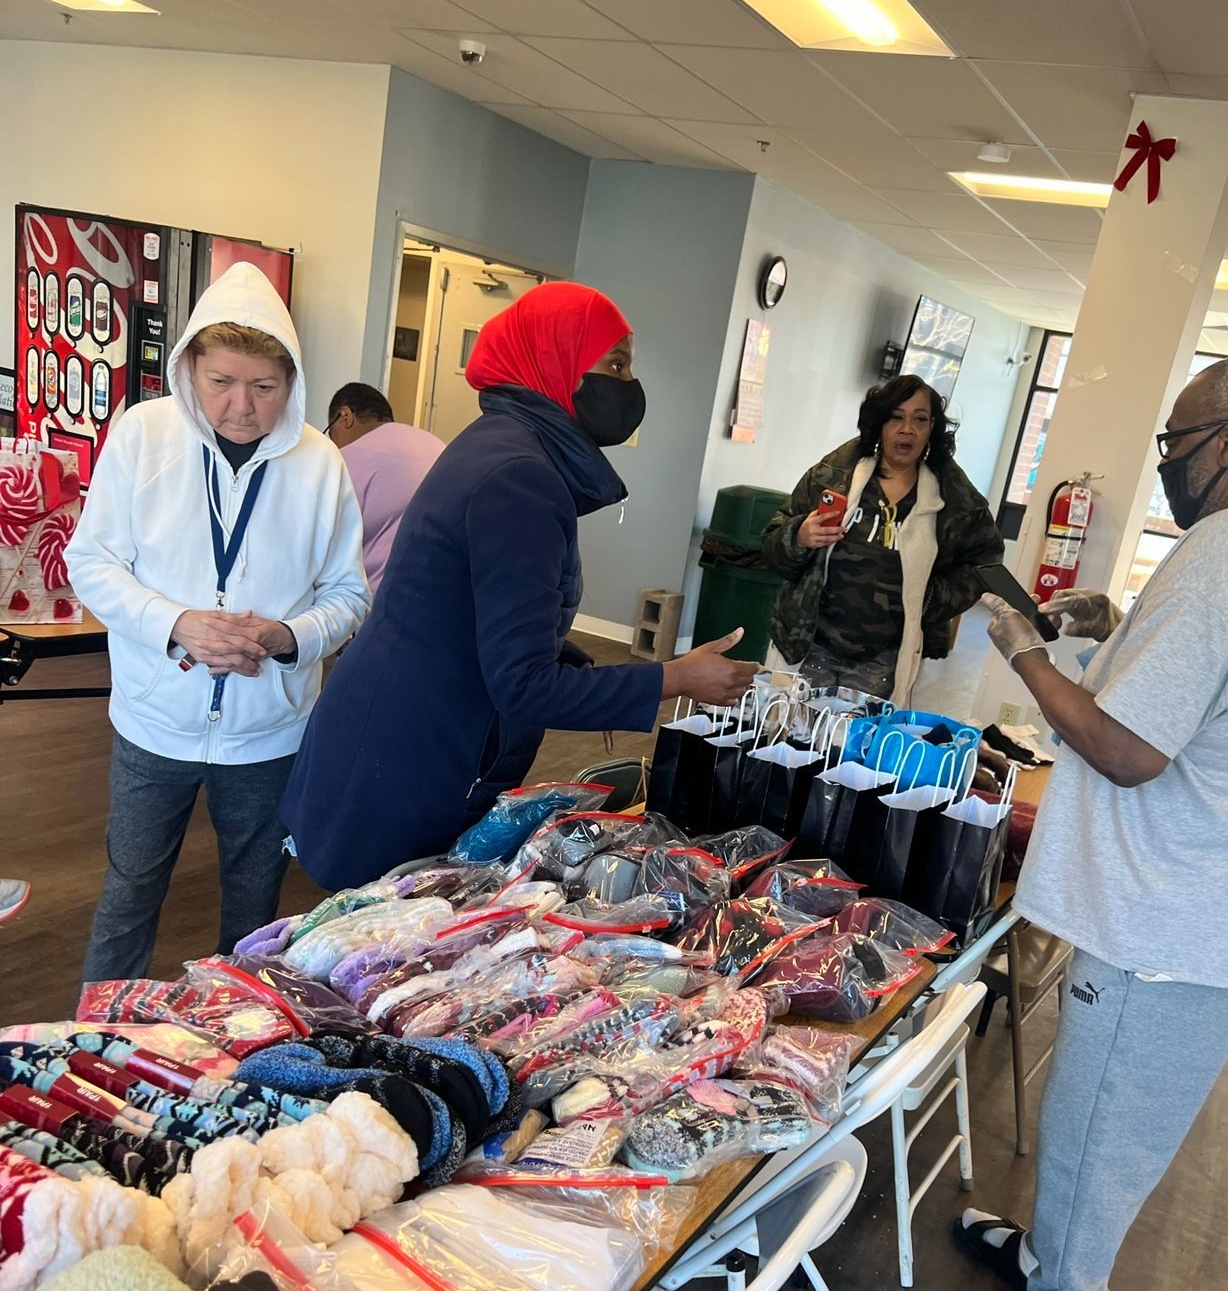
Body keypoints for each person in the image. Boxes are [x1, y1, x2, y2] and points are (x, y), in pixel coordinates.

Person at [906, 351, 1228, 1291]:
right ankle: (1046, 1255)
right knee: (1103, 1120)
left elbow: (1128, 749)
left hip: (1168, 919)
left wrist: (1029, 652)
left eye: (1174, 443)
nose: (1166, 464)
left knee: (1098, 1132)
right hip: (1222, 909)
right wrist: (1115, 628)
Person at [283, 281, 757, 890]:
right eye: (614, 364)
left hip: (391, 724)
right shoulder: (521, 478)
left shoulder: (499, 443)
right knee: (381, 950)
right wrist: (674, 678)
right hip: (414, 751)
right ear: (553, 361)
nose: (628, 386)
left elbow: (466, 604)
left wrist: (572, 663)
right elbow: (522, 686)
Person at [66, 263, 369, 981]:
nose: (242, 407)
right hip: (153, 720)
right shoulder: (142, 436)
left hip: (271, 734)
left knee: (255, 906)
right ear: (188, 369)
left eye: (264, 387)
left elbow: (350, 595)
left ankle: (237, 1046)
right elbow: (91, 562)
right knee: (130, 890)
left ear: (291, 381)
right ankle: (92, 1039)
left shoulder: (321, 463)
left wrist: (288, 637)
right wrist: (175, 623)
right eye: (221, 382)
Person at [762, 374, 1003, 703]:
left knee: (856, 749)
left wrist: (931, 599)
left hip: (883, 660)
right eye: (896, 417)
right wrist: (799, 536)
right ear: (879, 424)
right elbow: (772, 547)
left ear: (932, 427)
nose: (908, 429)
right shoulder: (832, 475)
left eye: (920, 419)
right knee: (789, 744)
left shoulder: (955, 501)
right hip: (809, 645)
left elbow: (984, 563)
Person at [325, 383, 445, 595]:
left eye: (331, 434)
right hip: (444, 594)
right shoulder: (436, 444)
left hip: (383, 604)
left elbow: (322, 545)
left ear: (345, 417)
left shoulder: (348, 459)